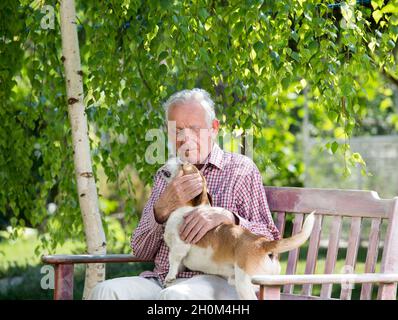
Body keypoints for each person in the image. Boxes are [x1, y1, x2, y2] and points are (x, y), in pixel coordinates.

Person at [89, 88, 280, 300]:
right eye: (177, 130)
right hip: (163, 279)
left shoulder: (240, 169)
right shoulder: (166, 175)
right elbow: (140, 251)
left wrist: (230, 217)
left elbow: (270, 239)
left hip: (219, 281)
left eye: (194, 129)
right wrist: (162, 209)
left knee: (175, 297)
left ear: (214, 128)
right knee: (105, 291)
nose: (185, 138)